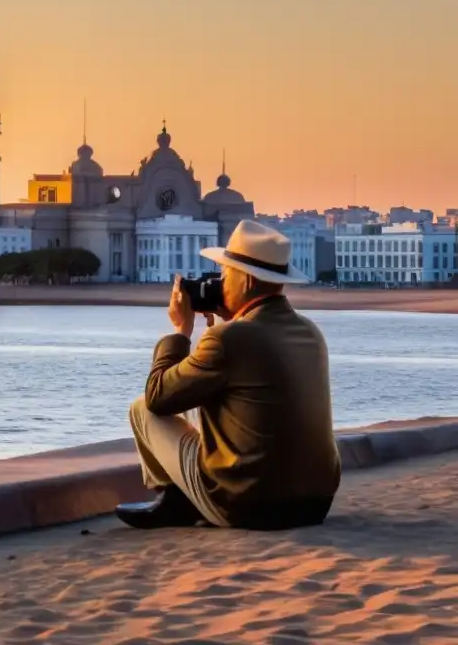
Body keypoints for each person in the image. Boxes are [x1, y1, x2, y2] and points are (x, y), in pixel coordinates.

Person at [115, 219, 341, 530]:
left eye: (225, 274)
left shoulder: (229, 339)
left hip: (249, 506)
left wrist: (181, 331)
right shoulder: (310, 332)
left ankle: (176, 502)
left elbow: (159, 397)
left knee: (142, 408)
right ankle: (185, 500)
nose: (219, 282)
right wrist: (229, 322)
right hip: (315, 504)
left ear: (246, 282)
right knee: (203, 397)